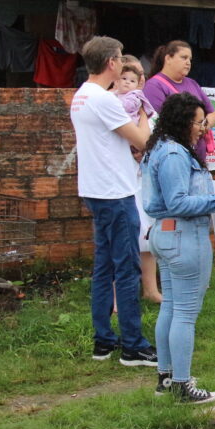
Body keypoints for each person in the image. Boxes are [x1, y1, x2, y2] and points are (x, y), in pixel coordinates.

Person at [142, 93, 215, 403]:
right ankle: (183, 385)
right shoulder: (174, 154)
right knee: (185, 314)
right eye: (200, 122)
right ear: (184, 122)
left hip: (166, 236)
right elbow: (178, 202)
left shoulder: (160, 148)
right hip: (183, 237)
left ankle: (167, 377)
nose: (204, 128)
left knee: (171, 307)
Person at [69, 36, 156, 366]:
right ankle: (133, 346)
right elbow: (143, 141)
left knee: (104, 268)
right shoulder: (104, 100)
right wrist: (146, 109)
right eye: (120, 59)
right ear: (111, 64)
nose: (122, 64)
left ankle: (103, 341)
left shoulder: (82, 95)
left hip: (95, 189)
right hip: (116, 192)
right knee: (127, 267)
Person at [116, 55, 161, 304]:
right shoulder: (115, 103)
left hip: (145, 179)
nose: (137, 80)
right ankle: (118, 295)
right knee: (122, 238)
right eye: (130, 77)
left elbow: (154, 139)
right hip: (121, 179)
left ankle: (150, 289)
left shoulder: (147, 109)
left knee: (147, 234)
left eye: (140, 76)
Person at [143, 40, 215, 161]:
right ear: (168, 58)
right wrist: (197, 126)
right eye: (183, 57)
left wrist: (204, 126)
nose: (188, 62)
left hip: (198, 154)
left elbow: (212, 113)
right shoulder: (153, 86)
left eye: (190, 59)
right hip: (174, 155)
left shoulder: (192, 83)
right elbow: (161, 122)